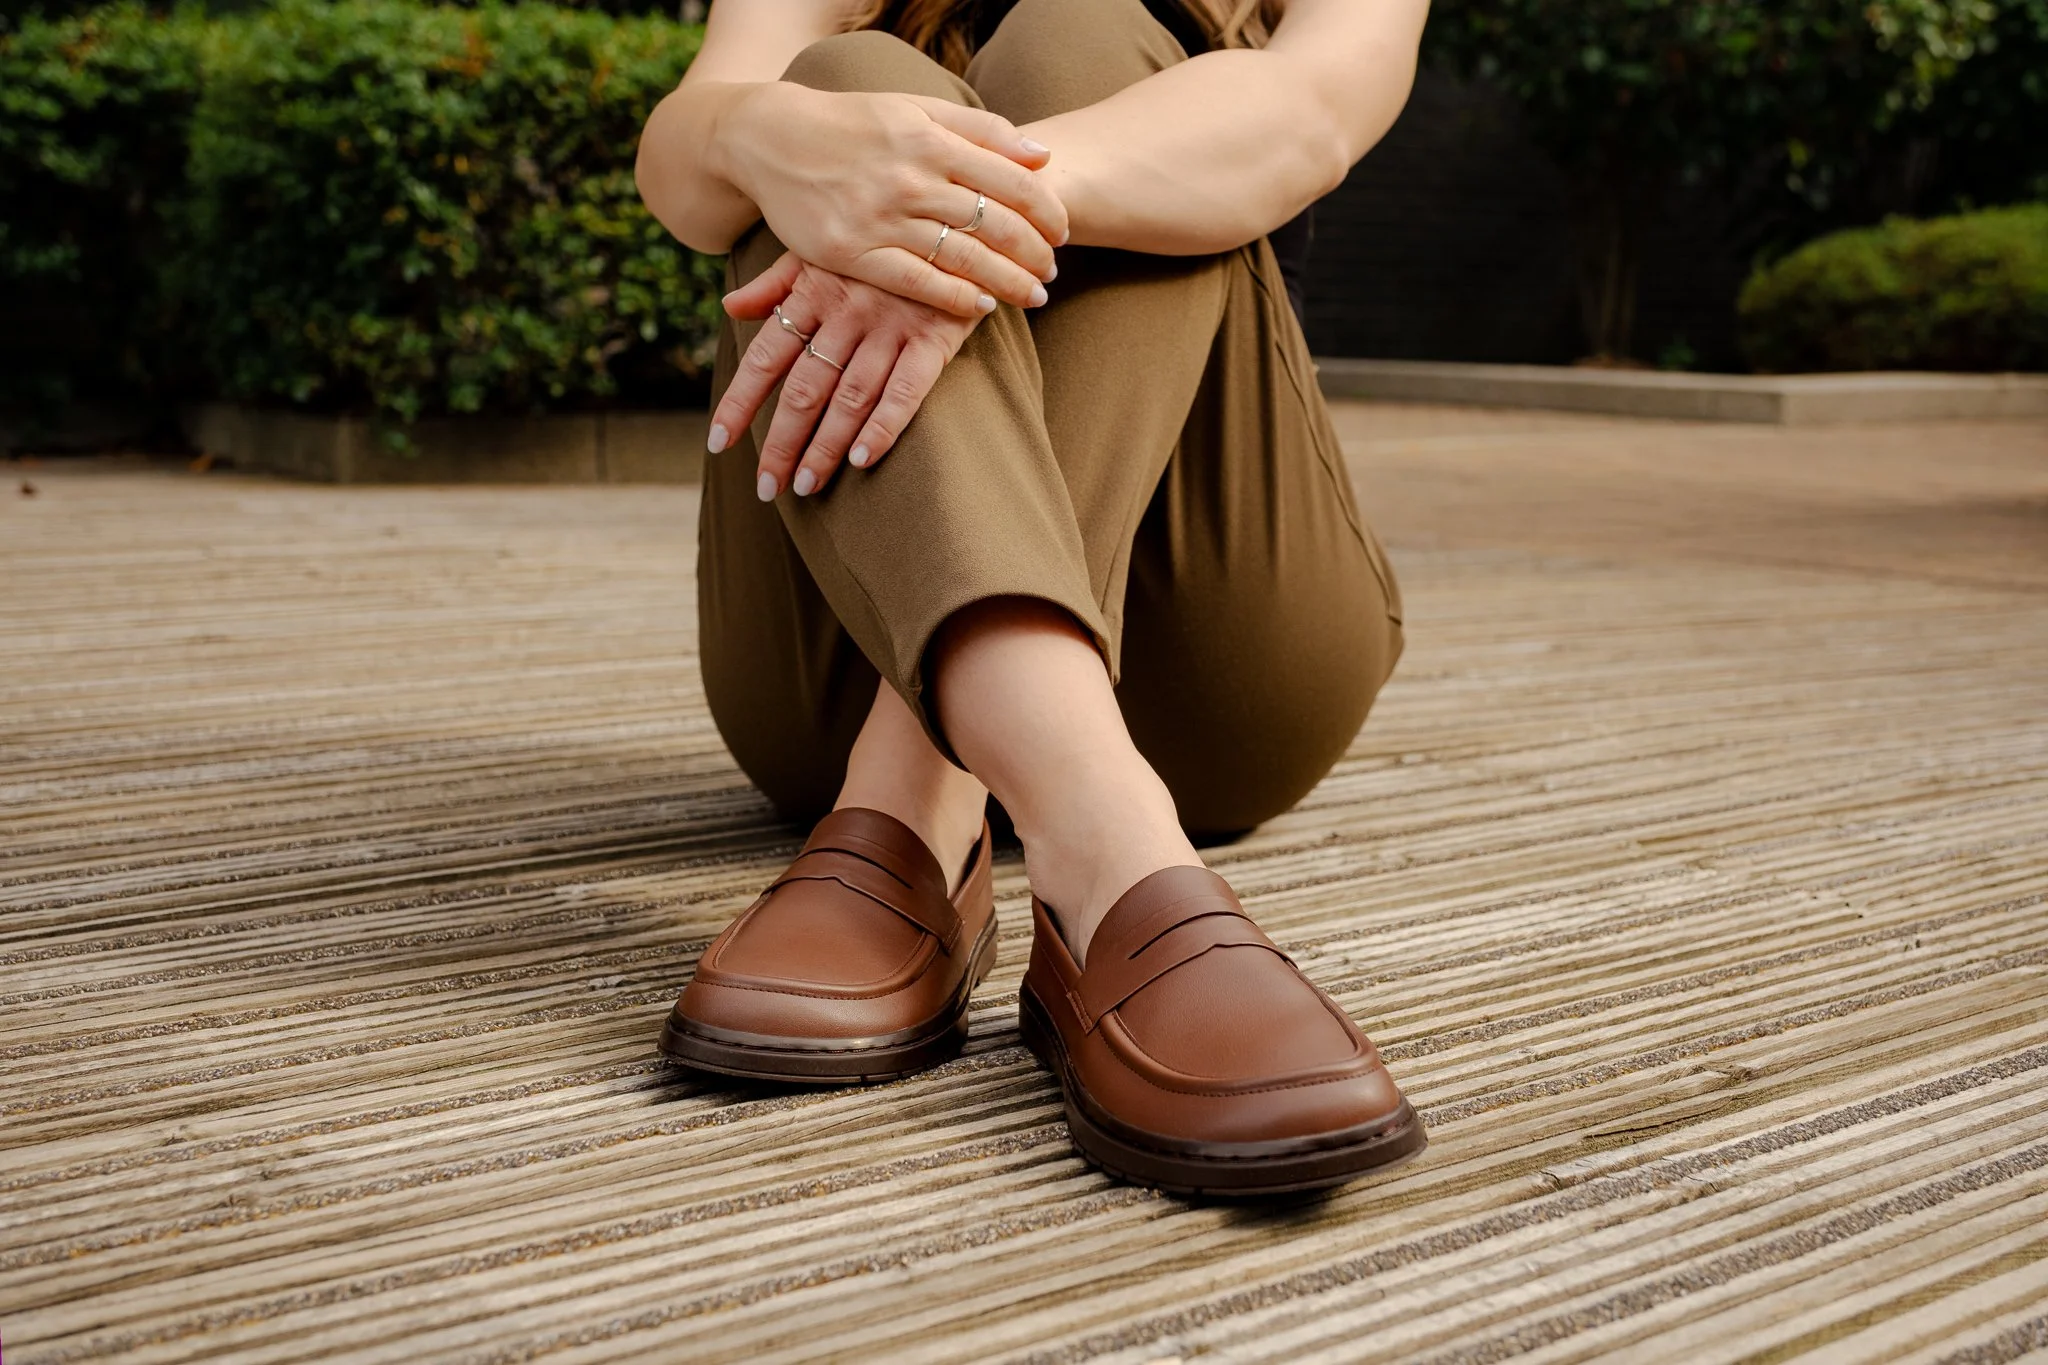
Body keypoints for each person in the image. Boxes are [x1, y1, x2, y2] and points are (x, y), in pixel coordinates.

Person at [634, 0, 1430, 1195]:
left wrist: (940, 203)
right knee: (836, 89)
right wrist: (776, 139)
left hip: (1213, 661)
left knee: (1108, 50)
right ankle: (1082, 838)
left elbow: (1307, 112)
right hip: (831, 666)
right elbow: (686, 157)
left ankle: (964, 809)